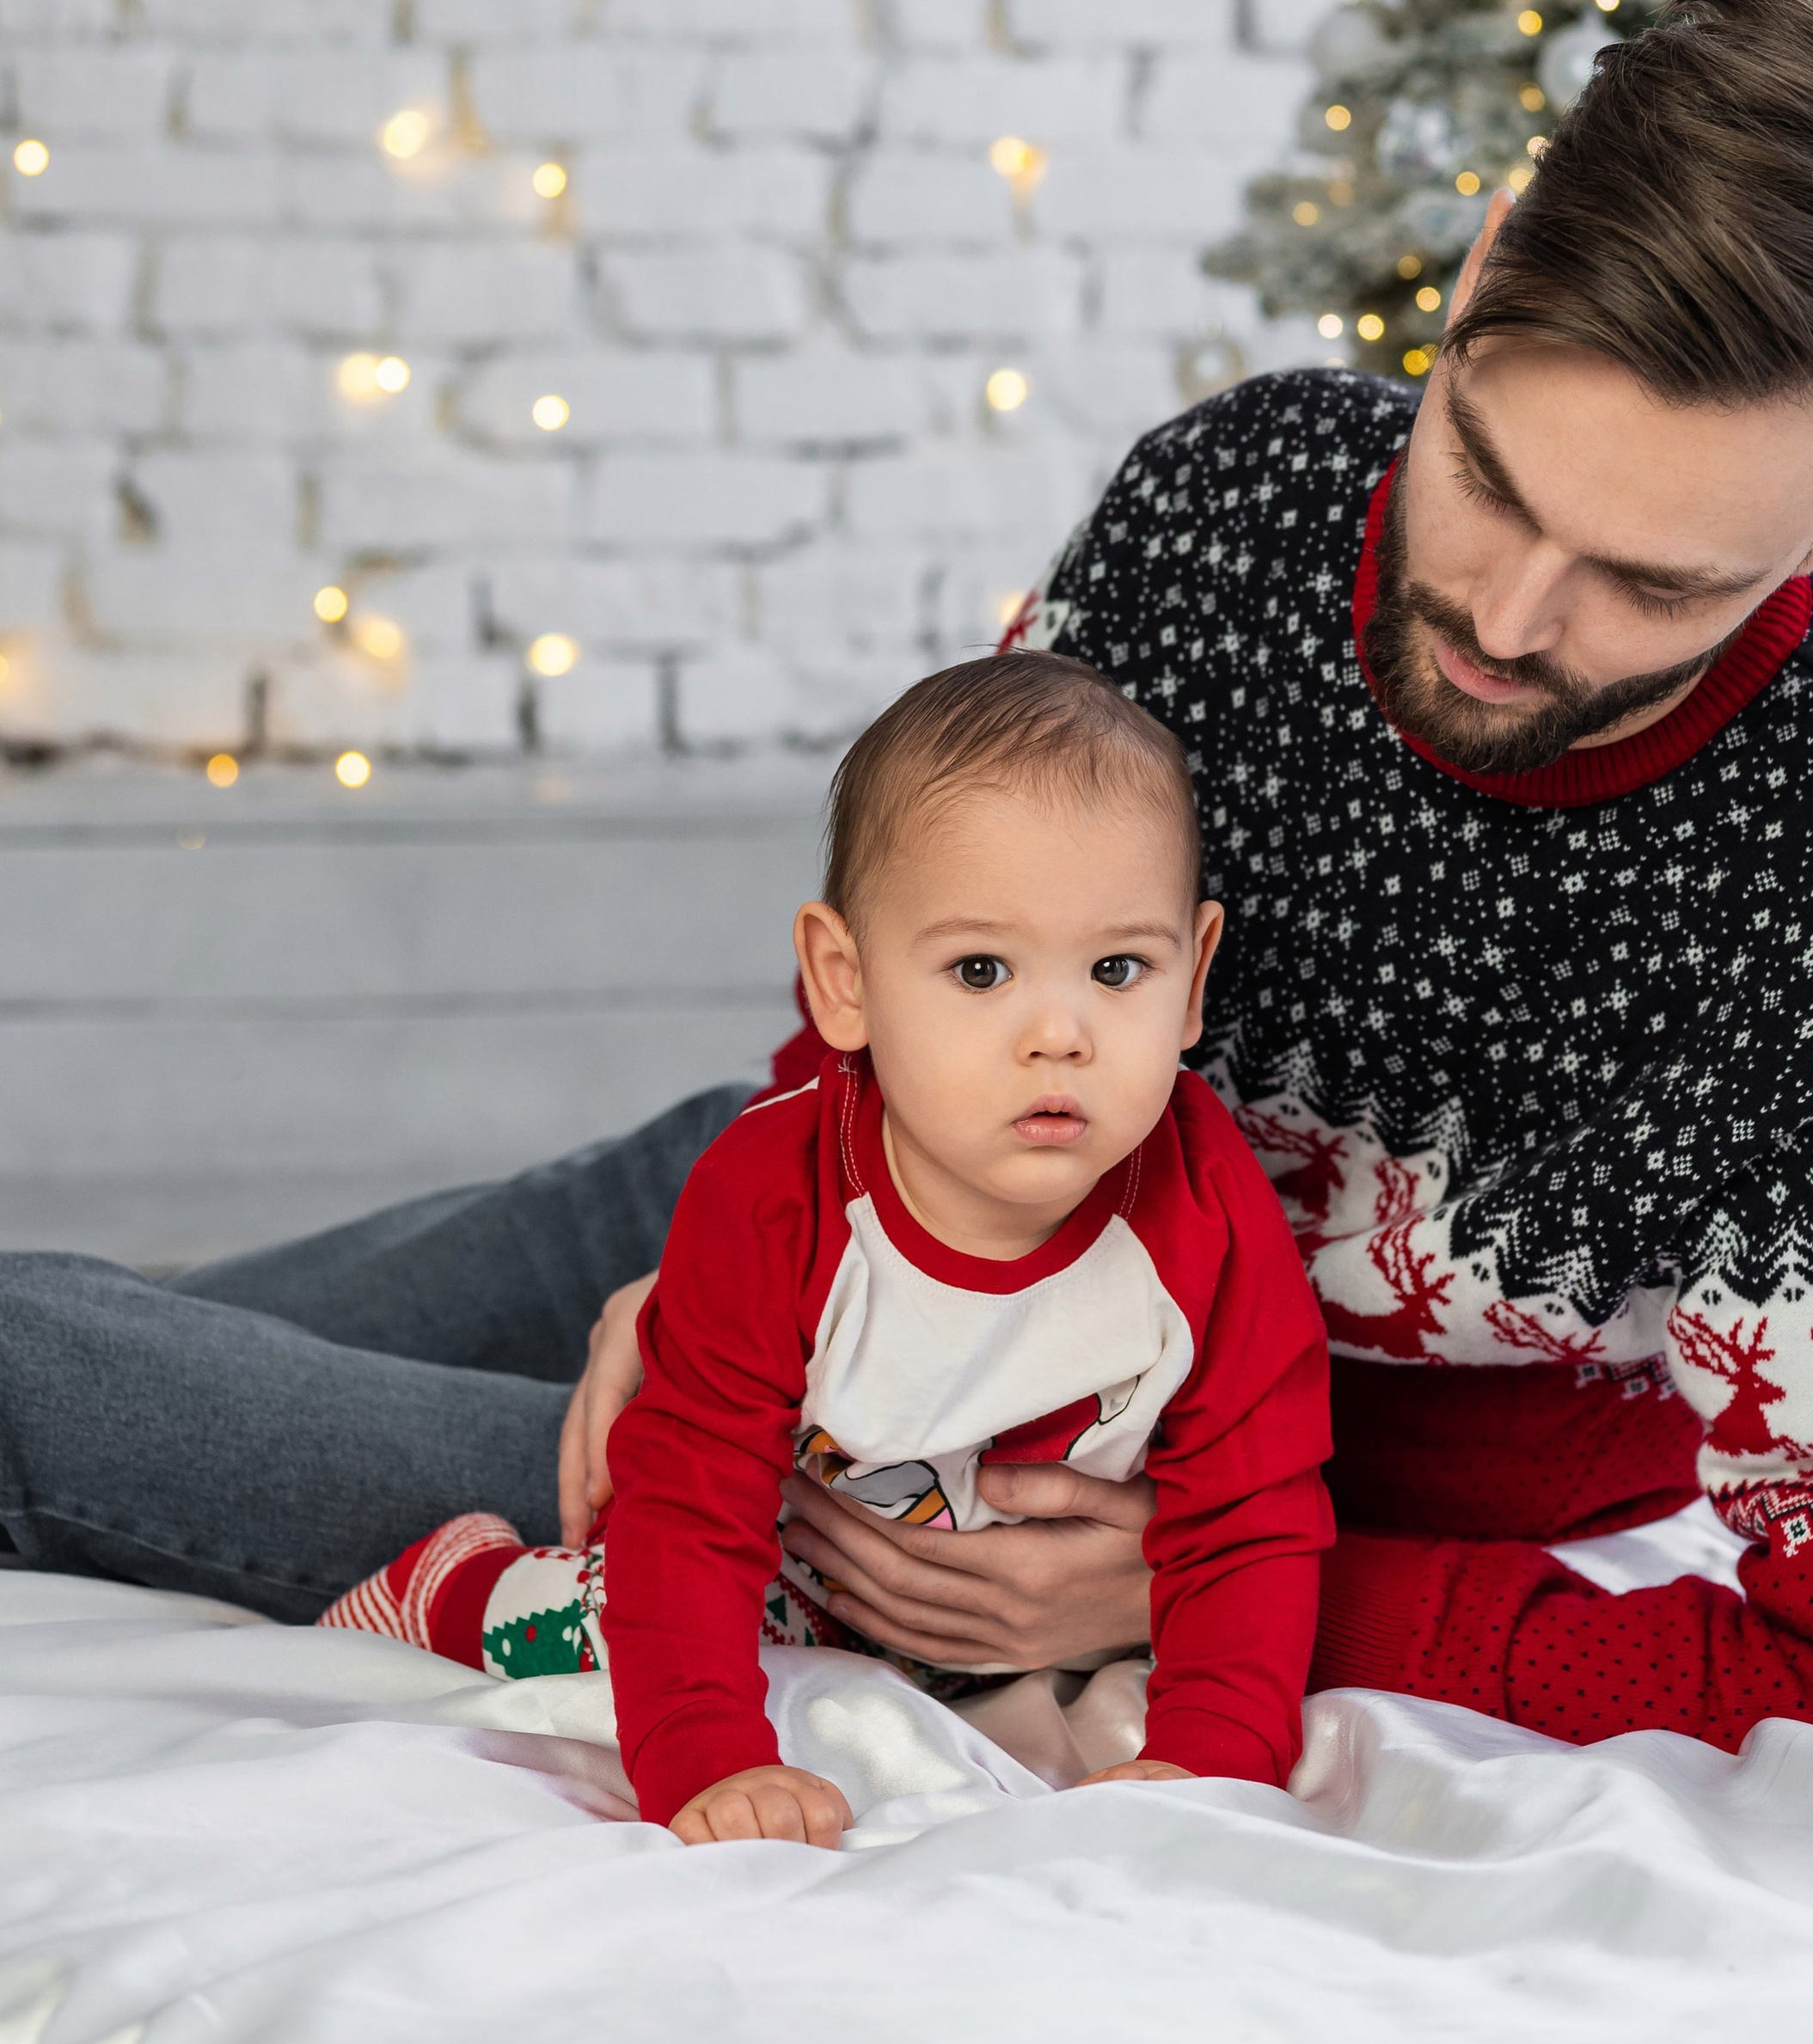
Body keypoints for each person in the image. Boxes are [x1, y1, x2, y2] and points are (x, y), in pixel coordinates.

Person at [0, 0, 1813, 1757]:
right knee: (102, 1335)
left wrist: (1236, 1584)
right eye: (1482, 470)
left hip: (1078, 1467)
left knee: (47, 1392)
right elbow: (957, 897)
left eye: (1653, 582)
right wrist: (737, 1238)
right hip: (824, 1183)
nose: (1511, 617)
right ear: (1470, 277)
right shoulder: (1234, 500)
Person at [317, 653, 1332, 1841]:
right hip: (805, 1563)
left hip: (1043, 1614)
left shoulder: (1205, 1205)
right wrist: (708, 1759)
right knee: (596, 1613)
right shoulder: (775, 1193)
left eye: (1118, 969)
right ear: (845, 982)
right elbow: (692, 1505)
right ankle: (459, 1583)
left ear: (1194, 975)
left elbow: (1254, 1512)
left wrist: (1207, 1757)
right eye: (980, 970)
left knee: (1158, 1678)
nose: (1059, 1033)